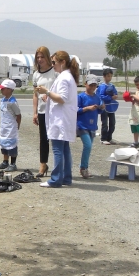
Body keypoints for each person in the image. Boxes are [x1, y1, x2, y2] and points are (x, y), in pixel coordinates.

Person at [35, 51, 79, 188]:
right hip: (63, 118)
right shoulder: (65, 77)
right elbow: (59, 96)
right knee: (64, 149)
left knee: (58, 149)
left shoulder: (64, 78)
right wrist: (48, 97)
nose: (52, 65)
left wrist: (47, 92)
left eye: (54, 62)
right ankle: (66, 177)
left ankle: (56, 179)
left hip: (61, 120)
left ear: (62, 62)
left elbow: (62, 98)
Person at [32, 46, 55, 176]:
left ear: (47, 57)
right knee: (43, 138)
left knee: (56, 138)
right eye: (38, 57)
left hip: (55, 110)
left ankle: (59, 166)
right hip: (42, 110)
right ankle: (43, 164)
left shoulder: (55, 72)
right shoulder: (36, 74)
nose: (40, 59)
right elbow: (35, 95)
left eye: (42, 57)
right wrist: (34, 112)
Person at [77, 75, 104, 179]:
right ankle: (83, 168)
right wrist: (86, 108)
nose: (93, 87)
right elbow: (75, 110)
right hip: (82, 125)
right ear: (85, 84)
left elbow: (99, 111)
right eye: (91, 85)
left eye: (94, 85)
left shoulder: (97, 97)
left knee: (89, 147)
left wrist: (102, 107)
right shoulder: (80, 97)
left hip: (92, 126)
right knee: (87, 145)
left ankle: (84, 167)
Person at [0, 79, 22, 171]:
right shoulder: (3, 99)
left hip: (11, 127)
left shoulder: (12, 102)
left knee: (11, 145)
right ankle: (5, 162)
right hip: (4, 126)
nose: (1, 90)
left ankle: (13, 164)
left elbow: (18, 115)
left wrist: (17, 126)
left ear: (10, 89)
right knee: (4, 144)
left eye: (3, 88)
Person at [98, 68, 119, 145]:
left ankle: (109, 138)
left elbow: (115, 93)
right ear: (104, 76)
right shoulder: (102, 86)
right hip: (104, 107)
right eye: (108, 76)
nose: (109, 78)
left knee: (112, 123)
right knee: (104, 123)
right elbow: (101, 96)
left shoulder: (112, 85)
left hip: (111, 107)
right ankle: (103, 138)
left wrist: (115, 96)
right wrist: (110, 98)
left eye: (110, 76)